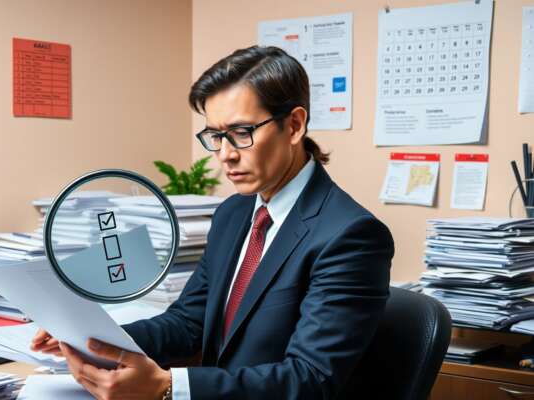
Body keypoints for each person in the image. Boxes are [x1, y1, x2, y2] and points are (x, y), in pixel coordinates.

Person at [32, 45, 394, 400]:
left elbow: (310, 379)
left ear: (295, 125)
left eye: (241, 133)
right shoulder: (233, 214)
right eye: (215, 137)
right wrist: (92, 338)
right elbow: (189, 323)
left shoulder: (351, 235)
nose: (226, 154)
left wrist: (167, 387)